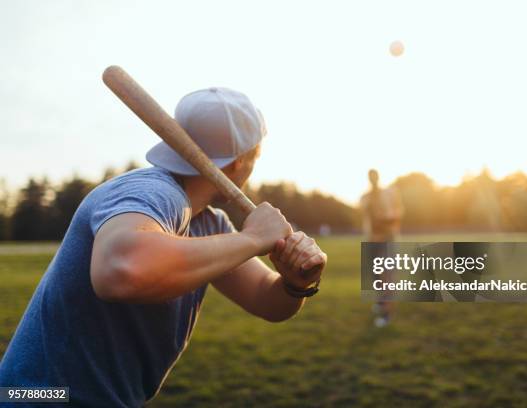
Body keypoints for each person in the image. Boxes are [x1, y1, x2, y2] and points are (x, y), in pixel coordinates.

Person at [0, 87, 327, 407]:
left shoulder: (207, 223)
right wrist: (253, 238)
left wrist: (294, 283)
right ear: (237, 163)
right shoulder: (152, 193)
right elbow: (121, 270)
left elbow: (265, 298)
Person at [360, 169, 402, 327]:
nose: (372, 179)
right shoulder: (365, 197)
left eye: (374, 176)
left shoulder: (389, 194)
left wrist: (386, 219)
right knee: (376, 275)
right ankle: (381, 301)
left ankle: (387, 314)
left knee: (387, 276)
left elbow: (397, 214)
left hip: (387, 239)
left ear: (378, 177)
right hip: (372, 240)